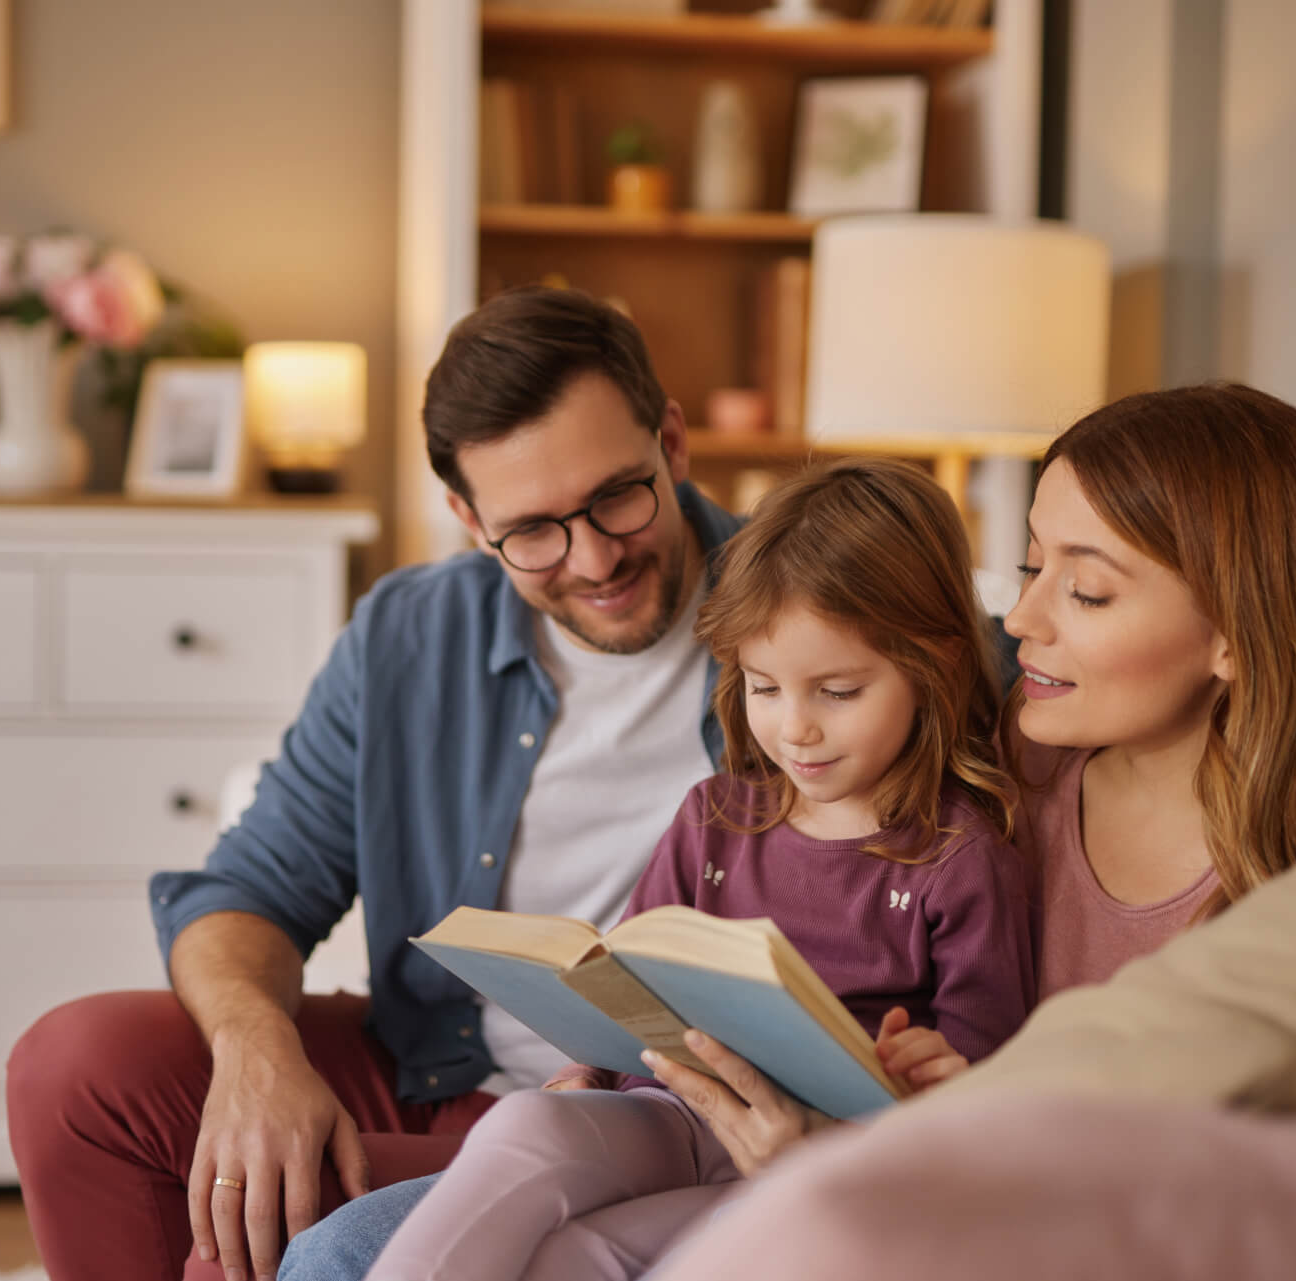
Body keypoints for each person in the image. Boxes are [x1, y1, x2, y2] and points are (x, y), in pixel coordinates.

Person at [279, 382, 1296, 1280]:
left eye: (1083, 590)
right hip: (719, 1139)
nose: (1021, 613)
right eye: (1032, 564)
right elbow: (864, 648)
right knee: (346, 1248)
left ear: (1239, 634)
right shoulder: (1013, 762)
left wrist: (849, 1161)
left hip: (898, 1216)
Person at [4, 286, 753, 1281]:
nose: (595, 558)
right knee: (77, 1066)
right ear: (466, 516)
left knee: (238, 1238)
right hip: (444, 1074)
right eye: (531, 531)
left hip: (661, 1124)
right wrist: (255, 1052)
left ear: (672, 439)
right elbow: (251, 889)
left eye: (619, 493)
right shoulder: (412, 632)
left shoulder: (813, 614)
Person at [361, 458, 1036, 1281]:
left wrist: (926, 1077)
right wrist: (589, 1067)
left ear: (934, 667)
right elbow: (624, 984)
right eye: (764, 686)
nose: (795, 729)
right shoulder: (715, 817)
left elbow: (983, 1082)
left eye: (838, 691)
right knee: (524, 1127)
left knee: (587, 1256)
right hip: (678, 1115)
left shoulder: (957, 861)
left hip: (816, 1165)